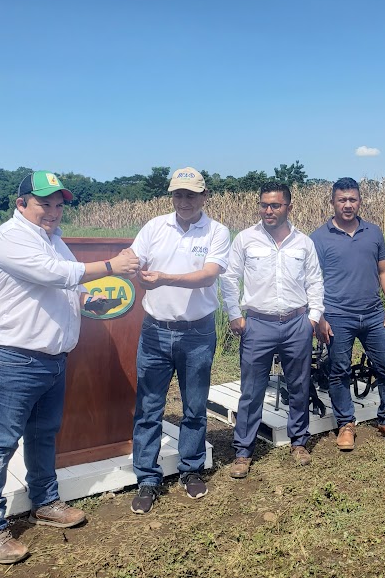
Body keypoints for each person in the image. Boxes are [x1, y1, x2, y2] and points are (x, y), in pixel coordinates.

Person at [0, 171, 139, 564]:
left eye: (59, 204)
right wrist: (113, 265)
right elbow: (53, 274)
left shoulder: (55, 241)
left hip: (52, 359)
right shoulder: (8, 238)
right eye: (45, 203)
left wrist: (86, 301)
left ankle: (45, 501)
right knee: (0, 442)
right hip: (12, 357)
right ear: (22, 203)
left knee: (44, 434)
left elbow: (69, 285)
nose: (53, 211)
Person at [128, 167, 230, 512]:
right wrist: (120, 267)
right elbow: (133, 258)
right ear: (171, 197)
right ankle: (146, 477)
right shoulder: (154, 227)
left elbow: (207, 276)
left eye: (191, 195)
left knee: (194, 405)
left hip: (197, 332)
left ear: (204, 196)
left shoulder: (217, 232)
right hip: (155, 330)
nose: (184, 202)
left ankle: (191, 469)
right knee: (148, 407)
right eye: (177, 195)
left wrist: (164, 278)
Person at [220, 181, 324, 478]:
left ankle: (299, 442)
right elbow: (229, 278)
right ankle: (243, 451)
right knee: (251, 390)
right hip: (258, 324)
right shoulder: (245, 239)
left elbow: (315, 281)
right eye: (264, 204)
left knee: (299, 385)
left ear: (288, 207)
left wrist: (313, 318)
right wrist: (233, 315)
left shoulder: (303, 242)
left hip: (296, 323)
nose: (268, 210)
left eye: (275, 205)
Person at [310, 177, 385, 451]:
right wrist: (320, 317)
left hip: (374, 314)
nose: (348, 205)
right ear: (332, 202)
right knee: (338, 372)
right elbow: (311, 280)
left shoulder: (373, 233)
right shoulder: (319, 237)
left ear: (360, 201)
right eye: (342, 200)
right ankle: (346, 425)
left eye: (353, 199)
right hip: (337, 316)